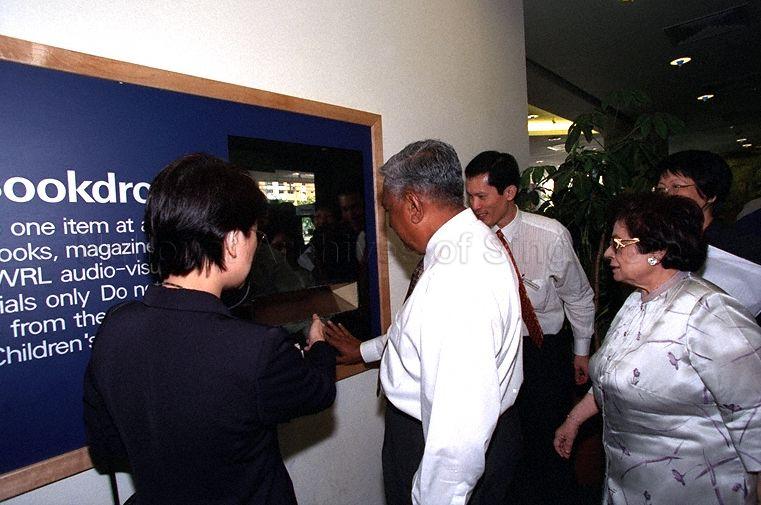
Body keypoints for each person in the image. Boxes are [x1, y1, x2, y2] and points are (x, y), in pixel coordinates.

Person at [83, 153, 336, 505]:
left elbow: (108, 447)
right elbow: (318, 393)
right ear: (232, 242)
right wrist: (319, 345)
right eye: (254, 234)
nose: (254, 245)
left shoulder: (114, 326)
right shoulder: (257, 350)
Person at [326, 139, 524, 505]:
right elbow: (419, 336)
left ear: (414, 204)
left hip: (436, 446)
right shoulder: (469, 241)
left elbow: (458, 432)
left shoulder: (454, 281)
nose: (388, 224)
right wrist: (363, 350)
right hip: (481, 434)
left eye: (389, 209)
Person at [554, 192, 761, 505]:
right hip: (629, 480)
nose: (609, 253)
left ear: (658, 250)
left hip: (696, 486)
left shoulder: (710, 313)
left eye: (618, 244)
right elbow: (612, 374)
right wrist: (574, 420)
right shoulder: (637, 302)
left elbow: (753, 412)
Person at [464, 150, 595, 504]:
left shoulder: (550, 236)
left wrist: (581, 351)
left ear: (509, 192)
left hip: (543, 351)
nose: (474, 206)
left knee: (547, 440)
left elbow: (579, 296)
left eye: (482, 196)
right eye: (470, 196)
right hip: (495, 354)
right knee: (504, 443)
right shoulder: (469, 240)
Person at [656, 150, 761, 264]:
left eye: (676, 186)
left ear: (710, 194)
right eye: (662, 189)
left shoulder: (738, 245)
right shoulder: (657, 238)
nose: (667, 194)